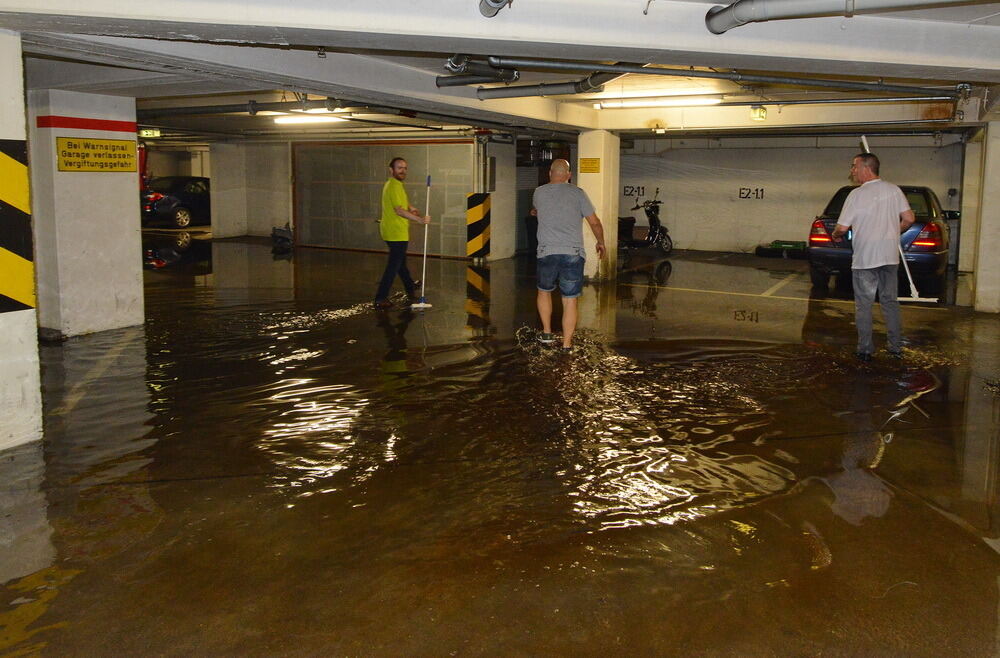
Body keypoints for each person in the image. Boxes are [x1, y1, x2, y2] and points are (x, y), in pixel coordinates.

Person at [831, 153, 914, 361]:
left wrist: (835, 234)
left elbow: (842, 227)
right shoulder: (894, 190)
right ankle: (895, 348)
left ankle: (865, 350)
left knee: (864, 305)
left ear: (866, 168)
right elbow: (909, 219)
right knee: (890, 302)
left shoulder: (856, 195)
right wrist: (896, 231)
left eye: (854, 166)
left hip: (865, 259)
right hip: (889, 258)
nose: (852, 170)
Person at [532, 159, 607, 351]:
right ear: (569, 175)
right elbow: (595, 222)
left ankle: (547, 333)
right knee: (570, 299)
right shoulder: (578, 193)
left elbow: (539, 210)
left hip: (546, 251)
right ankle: (566, 344)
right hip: (572, 253)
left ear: (550, 173)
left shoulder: (538, 192)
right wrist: (601, 242)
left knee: (544, 291)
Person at [374, 157, 430, 309]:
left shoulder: (394, 184)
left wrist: (410, 207)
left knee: (400, 263)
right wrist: (419, 219)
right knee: (394, 265)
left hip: (392, 230)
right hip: (396, 232)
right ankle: (380, 298)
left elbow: (399, 204)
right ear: (391, 170)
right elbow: (399, 211)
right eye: (399, 168)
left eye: (405, 168)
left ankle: (410, 286)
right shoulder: (394, 186)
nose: (403, 171)